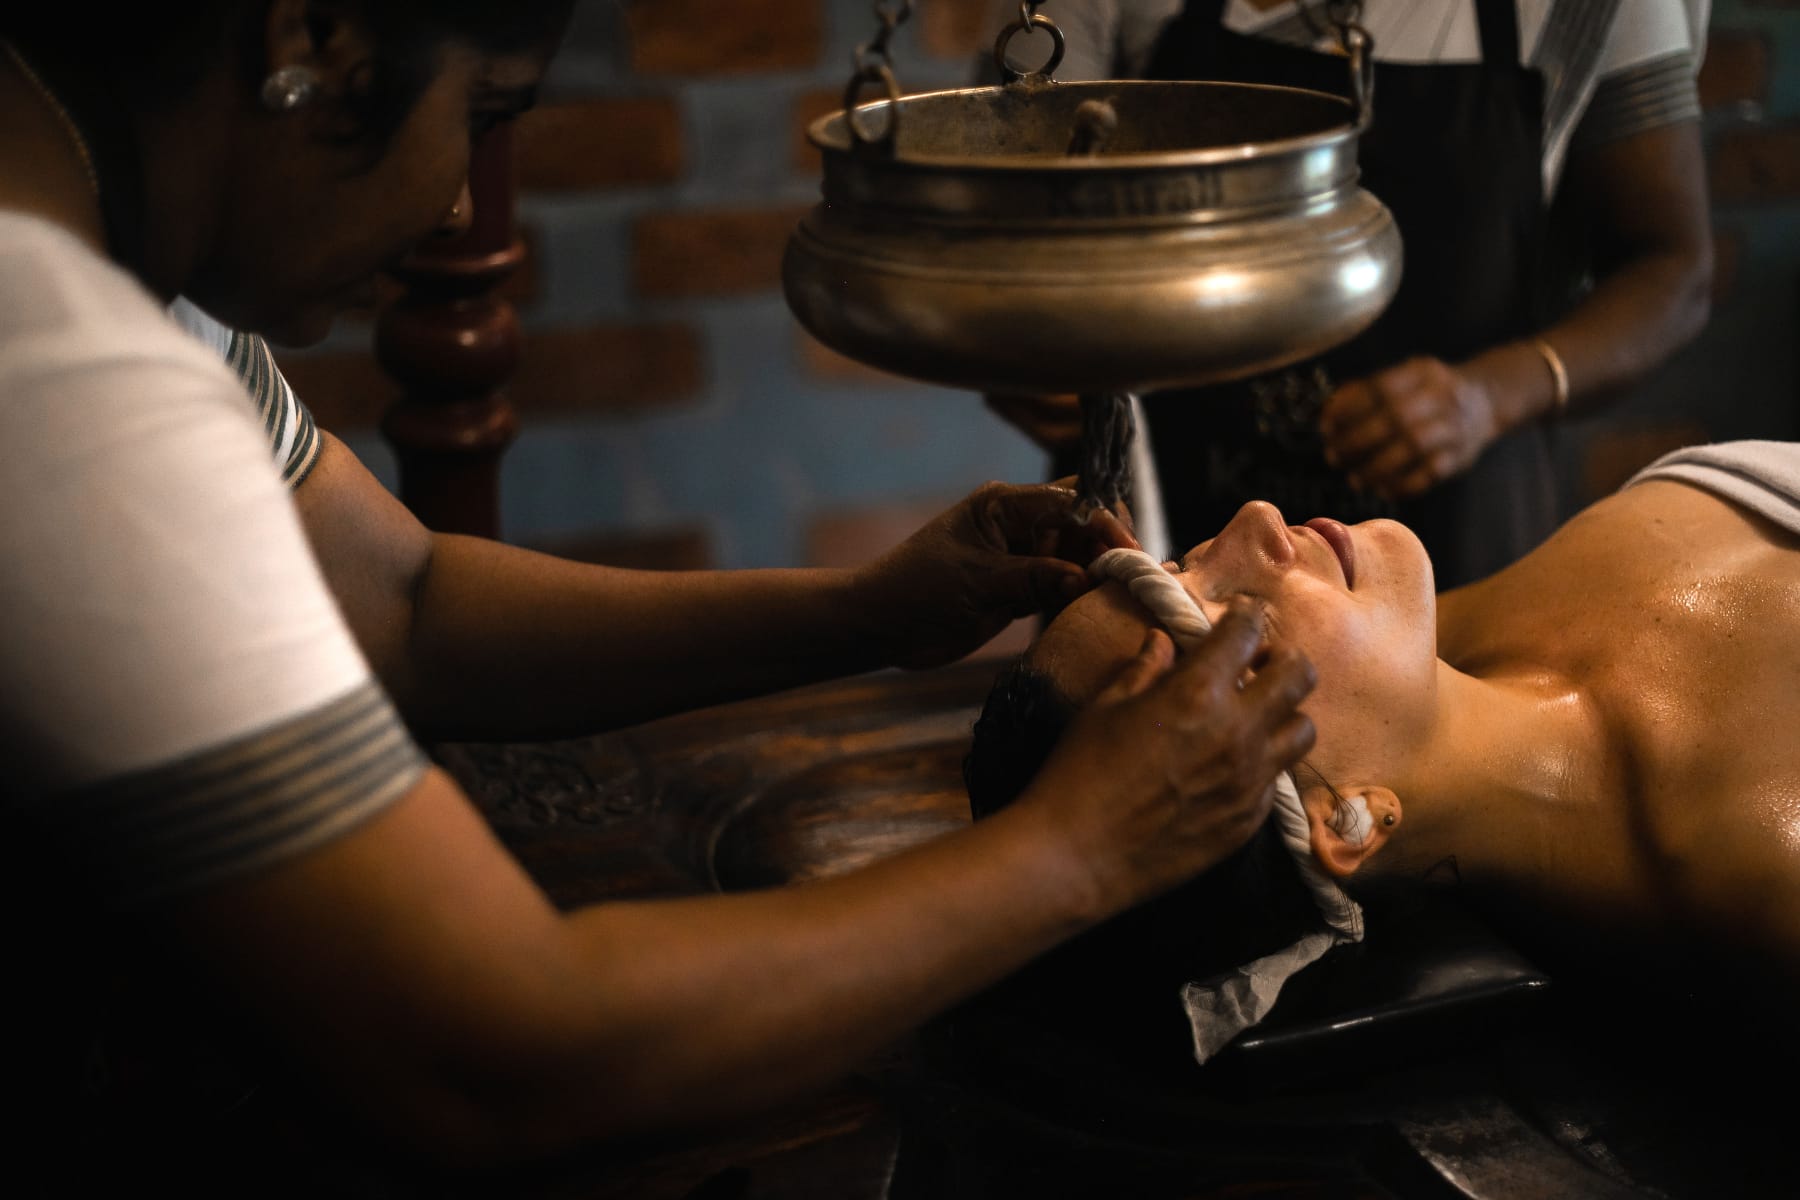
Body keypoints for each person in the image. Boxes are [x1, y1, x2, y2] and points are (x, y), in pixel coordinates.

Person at [0, 0, 1325, 1182]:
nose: (459, 207)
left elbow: (399, 603)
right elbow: (495, 1054)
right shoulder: (55, 363)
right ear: (308, 41)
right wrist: (1084, 846)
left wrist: (869, 612)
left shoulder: (138, 288)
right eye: (482, 115)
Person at [964, 439, 1800, 1064]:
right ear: (1347, 821)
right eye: (1241, 629)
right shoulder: (1758, 865)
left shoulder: (1433, 640)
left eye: (1180, 564)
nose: (1254, 520)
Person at [983, 0, 1715, 588]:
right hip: (1160, 521)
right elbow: (1016, 196)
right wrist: (1023, 337)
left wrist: (1489, 396)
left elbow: (1673, 266)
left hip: (1450, 556)